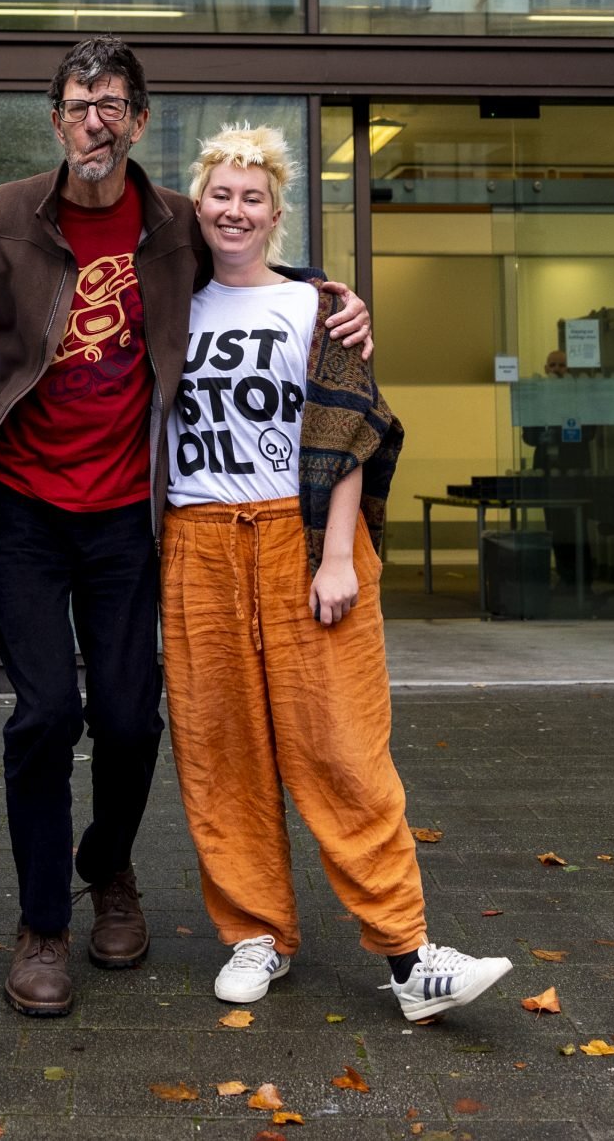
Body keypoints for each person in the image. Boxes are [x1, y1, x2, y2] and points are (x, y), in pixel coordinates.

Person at [0, 37, 369, 1018]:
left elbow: (246, 262)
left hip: (130, 515)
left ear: (138, 120)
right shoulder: (1, 217)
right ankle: (43, 924)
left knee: (135, 716)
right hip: (19, 511)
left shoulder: (181, 225)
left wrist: (327, 296)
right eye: (75, 105)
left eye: (110, 105)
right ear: (54, 119)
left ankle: (110, 871)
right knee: (47, 714)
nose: (92, 121)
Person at [161, 122, 513, 1024]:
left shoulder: (319, 308)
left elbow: (352, 432)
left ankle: (408, 954)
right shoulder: (164, 308)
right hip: (197, 542)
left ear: (276, 213)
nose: (234, 209)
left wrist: (335, 556)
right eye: (220, 194)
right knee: (220, 746)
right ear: (197, 205)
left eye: (252, 197)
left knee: (343, 746)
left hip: (303, 534)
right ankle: (255, 932)